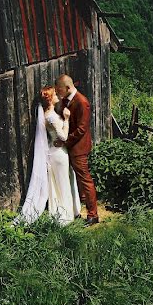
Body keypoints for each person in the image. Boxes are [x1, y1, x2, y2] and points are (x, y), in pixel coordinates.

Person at [16, 86, 81, 226]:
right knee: (63, 183)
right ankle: (67, 215)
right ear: (51, 99)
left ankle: (61, 211)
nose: (58, 95)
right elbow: (63, 137)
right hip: (59, 153)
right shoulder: (52, 117)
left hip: (52, 150)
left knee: (56, 184)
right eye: (55, 94)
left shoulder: (46, 113)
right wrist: (67, 119)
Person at [54, 74, 100, 225]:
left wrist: (64, 141)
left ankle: (93, 215)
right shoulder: (68, 100)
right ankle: (78, 208)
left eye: (59, 90)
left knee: (85, 180)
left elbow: (81, 129)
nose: (57, 92)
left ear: (67, 88)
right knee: (79, 181)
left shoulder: (82, 102)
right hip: (73, 147)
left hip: (79, 148)